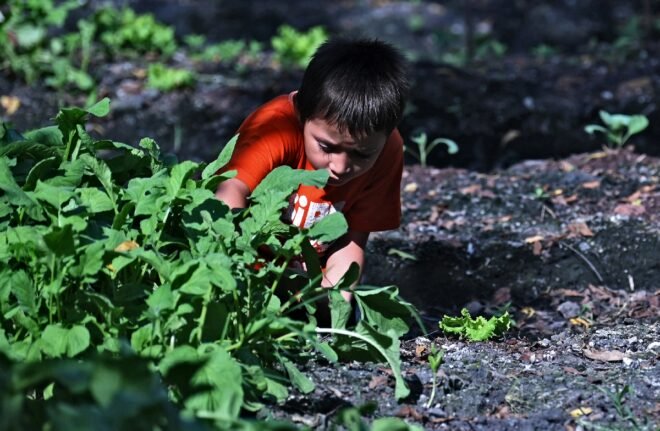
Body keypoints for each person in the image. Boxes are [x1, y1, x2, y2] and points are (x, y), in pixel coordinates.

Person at [215, 37, 409, 309]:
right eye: (327, 147)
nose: (340, 167)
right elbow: (229, 192)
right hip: (244, 280)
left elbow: (352, 241)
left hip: (302, 292)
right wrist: (237, 265)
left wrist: (330, 309)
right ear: (301, 113)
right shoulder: (276, 126)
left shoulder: (388, 151)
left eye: (361, 155)